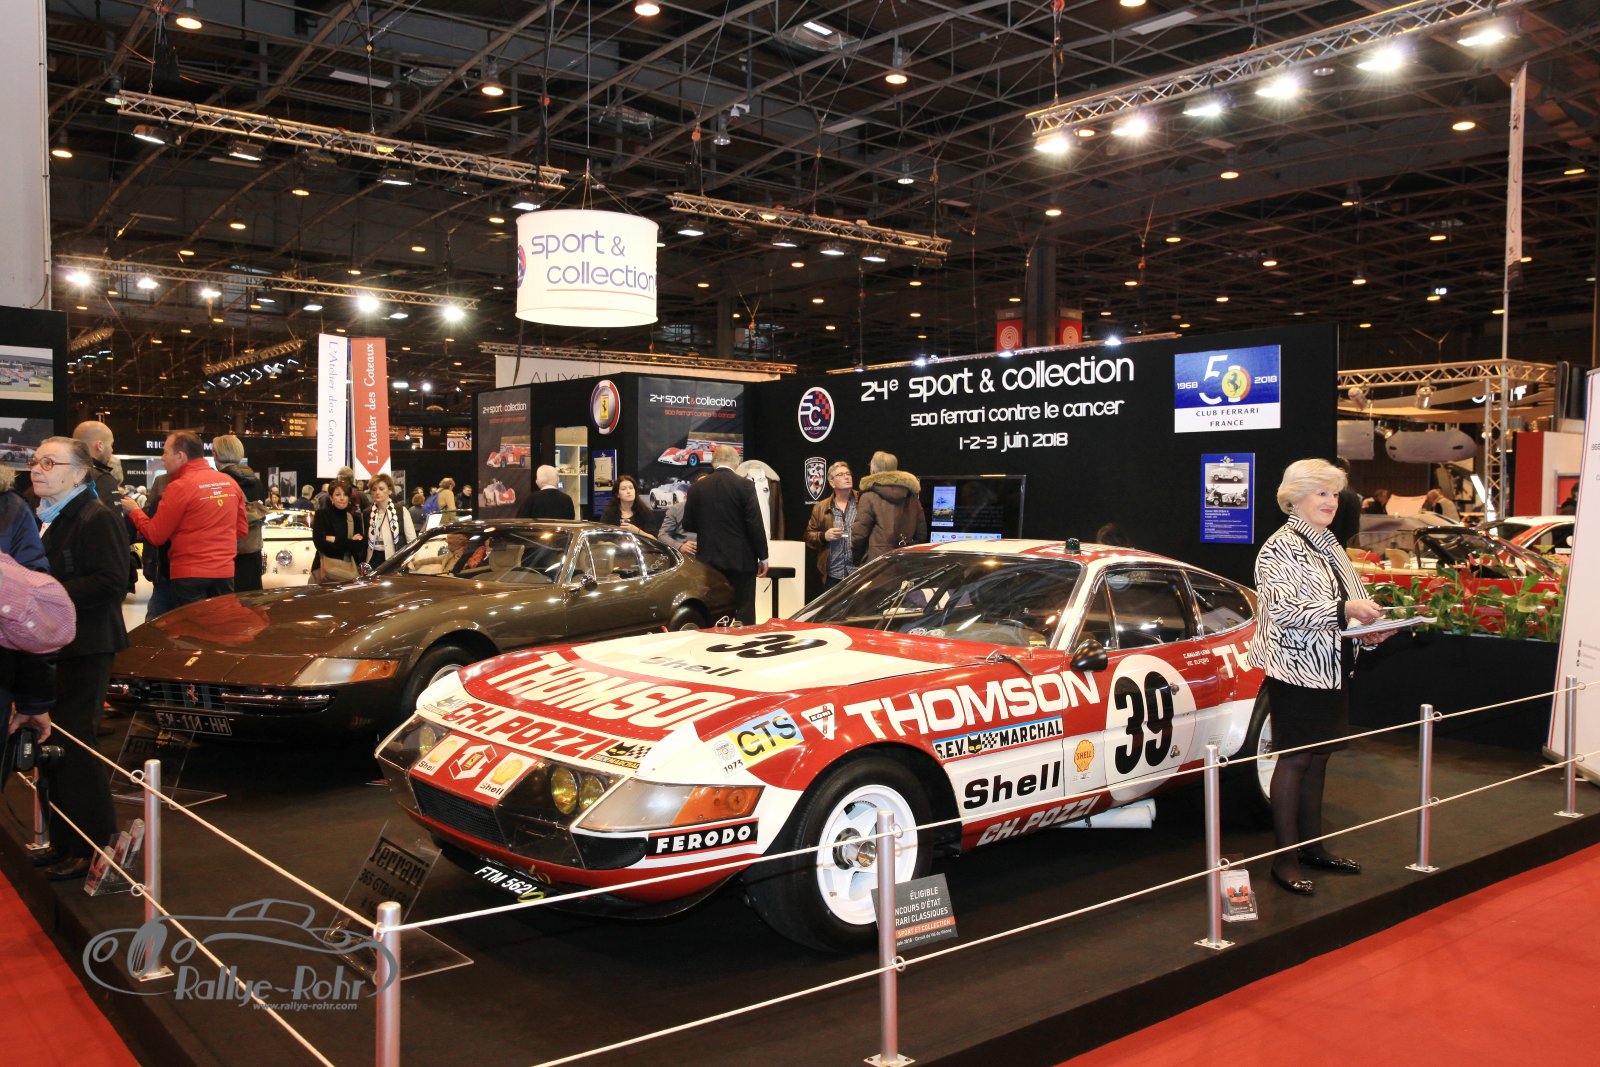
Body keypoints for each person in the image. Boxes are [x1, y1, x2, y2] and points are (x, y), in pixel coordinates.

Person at [1249, 458, 1393, 897]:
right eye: (1321, 493)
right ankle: (1284, 860)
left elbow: (1353, 603)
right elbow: (1284, 611)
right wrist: (1346, 611)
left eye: (1334, 493)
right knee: (1295, 759)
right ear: (1294, 499)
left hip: (1332, 667)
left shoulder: (1329, 543)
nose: (1331, 501)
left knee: (1319, 757)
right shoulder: (1279, 548)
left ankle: (1312, 848)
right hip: (1296, 670)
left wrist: (1370, 630)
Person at [28, 436, 129, 881]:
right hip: (55, 645)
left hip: (85, 646)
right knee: (52, 749)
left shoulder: (95, 516)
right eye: (36, 460)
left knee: (76, 747)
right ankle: (64, 841)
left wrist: (43, 594)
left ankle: (93, 847)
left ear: (79, 472)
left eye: (50, 462)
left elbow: (111, 580)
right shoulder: (47, 516)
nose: (38, 468)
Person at [119, 431, 247, 617]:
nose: (162, 458)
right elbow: (241, 530)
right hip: (224, 573)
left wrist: (134, 511)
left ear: (180, 456)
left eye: (165, 452)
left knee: (192, 628)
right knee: (221, 626)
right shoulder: (229, 483)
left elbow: (156, 535)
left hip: (189, 575)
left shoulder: (179, 487)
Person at [681, 445, 767, 623]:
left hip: (709, 561)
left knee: (714, 609)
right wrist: (763, 556)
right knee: (744, 610)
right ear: (737, 462)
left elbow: (688, 524)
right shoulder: (745, 485)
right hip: (741, 560)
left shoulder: (697, 488)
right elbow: (754, 524)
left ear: (713, 462)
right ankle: (743, 637)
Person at [852, 451, 927, 565]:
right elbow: (921, 534)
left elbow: (859, 535)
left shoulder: (869, 496)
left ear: (873, 471)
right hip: (904, 562)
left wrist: (857, 559)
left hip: (876, 563)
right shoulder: (911, 497)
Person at [212, 434, 266, 592]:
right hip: (253, 549)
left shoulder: (219, 482)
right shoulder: (256, 482)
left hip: (226, 554)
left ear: (215, 454)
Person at [804, 461, 858, 589]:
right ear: (832, 483)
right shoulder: (821, 507)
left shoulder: (864, 501)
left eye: (848, 474)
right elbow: (808, 536)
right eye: (841, 474)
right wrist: (824, 536)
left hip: (859, 571)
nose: (846, 477)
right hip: (833, 574)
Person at [312, 480, 365, 581]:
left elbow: (359, 546)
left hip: (348, 570)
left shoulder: (354, 518)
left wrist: (335, 539)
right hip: (324, 569)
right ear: (331, 497)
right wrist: (349, 543)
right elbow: (320, 544)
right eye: (337, 494)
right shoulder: (321, 515)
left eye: (345, 494)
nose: (342, 498)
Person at [364, 473, 415, 569]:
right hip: (373, 559)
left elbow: (411, 539)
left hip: (395, 559)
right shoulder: (367, 513)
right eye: (374, 490)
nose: (377, 492)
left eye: (381, 489)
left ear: (390, 490)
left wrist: (410, 561)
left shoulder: (401, 511)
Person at [71, 420, 121, 503]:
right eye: (111, 445)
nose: (111, 450)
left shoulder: (62, 474)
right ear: (100, 445)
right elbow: (112, 511)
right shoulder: (103, 479)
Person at [1329, 457, 1362, 547]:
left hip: (1337, 546)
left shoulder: (1338, 493)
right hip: (1347, 545)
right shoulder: (1351, 492)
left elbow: (1333, 526)